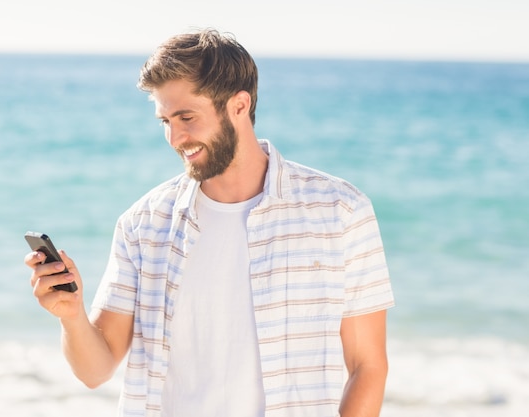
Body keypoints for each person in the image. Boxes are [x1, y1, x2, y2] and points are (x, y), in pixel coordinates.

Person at [25, 28, 394, 417]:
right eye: (165, 120)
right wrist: (72, 315)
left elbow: (368, 366)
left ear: (239, 105)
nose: (175, 137)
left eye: (186, 117)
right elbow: (94, 370)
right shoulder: (143, 225)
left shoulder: (340, 212)